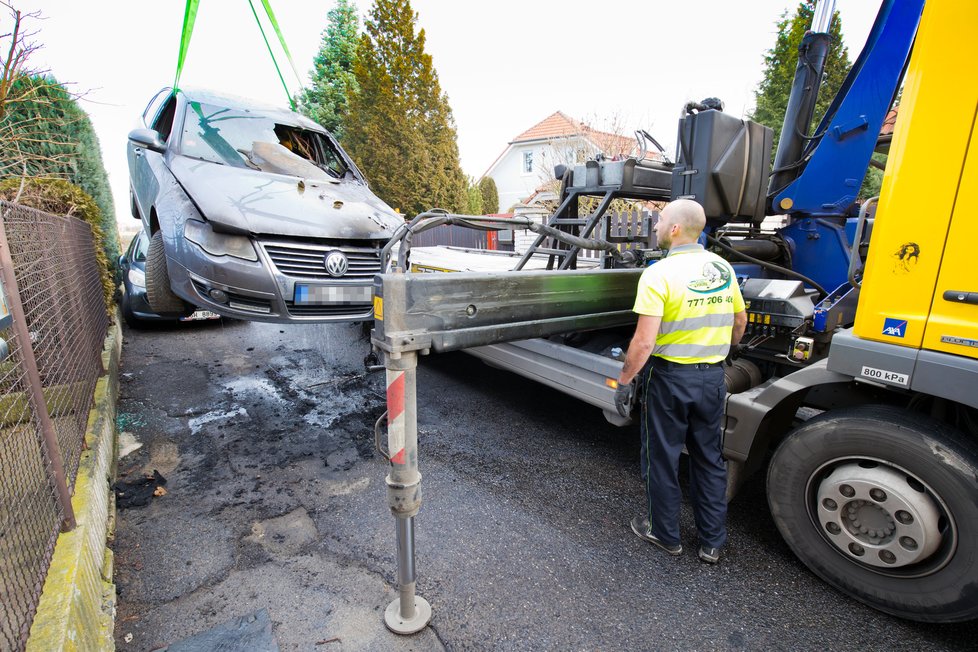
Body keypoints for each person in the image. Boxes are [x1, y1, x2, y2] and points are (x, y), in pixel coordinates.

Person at [615, 199, 747, 564]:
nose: (656, 226)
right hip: (712, 378)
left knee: (662, 457)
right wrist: (722, 349)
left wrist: (625, 381)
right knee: (708, 458)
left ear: (674, 229)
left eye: (659, 221)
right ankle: (711, 543)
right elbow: (739, 322)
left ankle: (665, 534)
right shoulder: (722, 268)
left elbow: (643, 341)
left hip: (671, 379)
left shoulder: (659, 274)